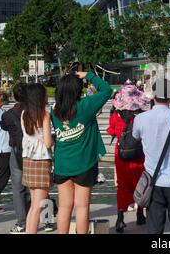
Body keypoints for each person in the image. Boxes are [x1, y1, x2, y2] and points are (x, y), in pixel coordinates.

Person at [51, 71, 112, 234]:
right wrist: (88, 75)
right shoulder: (86, 105)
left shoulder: (55, 110)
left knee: (64, 206)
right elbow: (107, 90)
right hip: (85, 163)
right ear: (77, 90)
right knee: (82, 206)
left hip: (62, 164)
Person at [132, 78, 170, 234]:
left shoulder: (140, 119)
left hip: (153, 182)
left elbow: (135, 136)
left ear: (153, 96)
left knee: (154, 228)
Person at [107, 84, 149, 233]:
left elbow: (110, 130)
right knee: (141, 184)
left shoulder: (116, 116)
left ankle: (120, 218)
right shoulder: (141, 116)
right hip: (139, 155)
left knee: (122, 186)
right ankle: (140, 214)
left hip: (121, 155)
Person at [21, 84, 54, 234]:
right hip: (41, 161)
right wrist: (52, 139)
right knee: (38, 206)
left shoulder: (24, 114)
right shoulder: (44, 115)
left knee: (34, 205)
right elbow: (48, 143)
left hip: (28, 160)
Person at [0, 83, 30, 233]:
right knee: (37, 187)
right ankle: (46, 218)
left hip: (16, 152)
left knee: (18, 189)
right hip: (34, 152)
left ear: (14, 96)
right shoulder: (34, 111)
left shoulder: (7, 114)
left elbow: (4, 127)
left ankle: (22, 222)